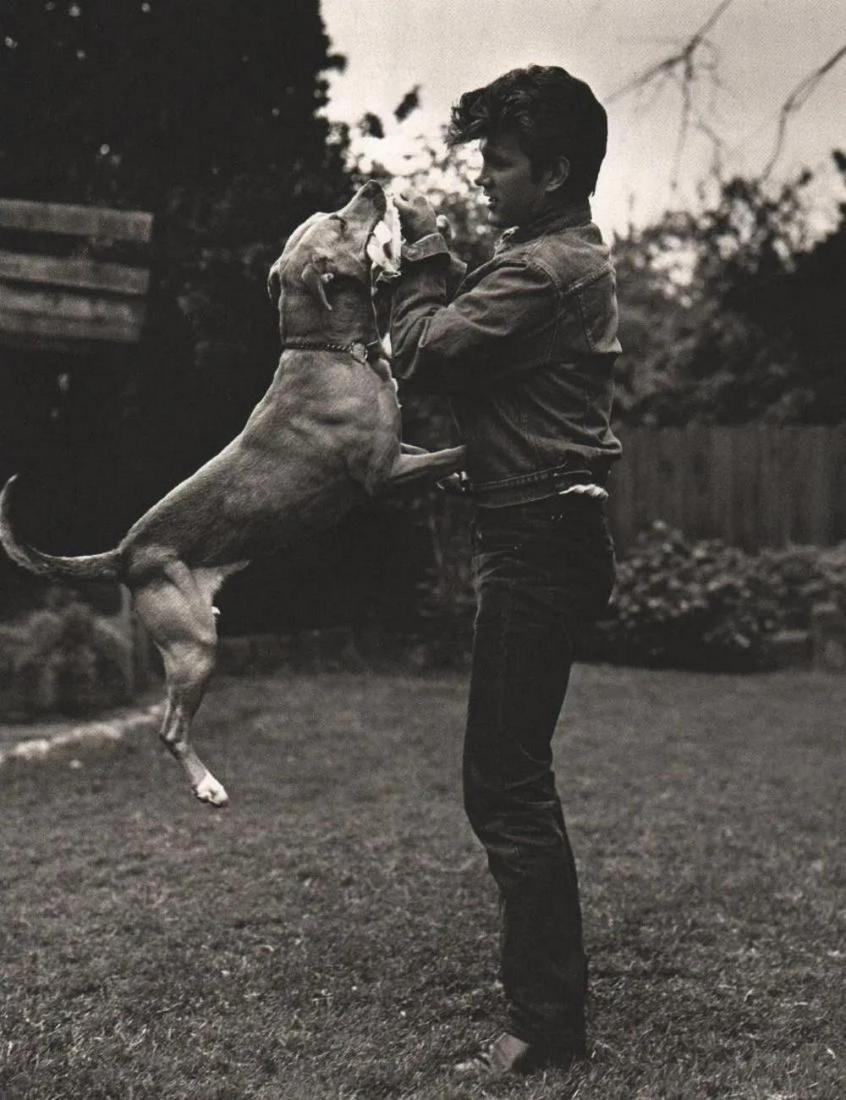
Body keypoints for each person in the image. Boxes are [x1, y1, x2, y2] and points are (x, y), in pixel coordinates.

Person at [389, 65, 622, 1078]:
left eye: (501, 161)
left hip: (537, 541)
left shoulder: (543, 270)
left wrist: (424, 261)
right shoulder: (547, 258)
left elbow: (421, 350)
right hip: (533, 525)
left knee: (507, 784)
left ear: (557, 170)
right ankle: (548, 1004)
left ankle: (547, 1021)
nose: (483, 177)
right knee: (512, 776)